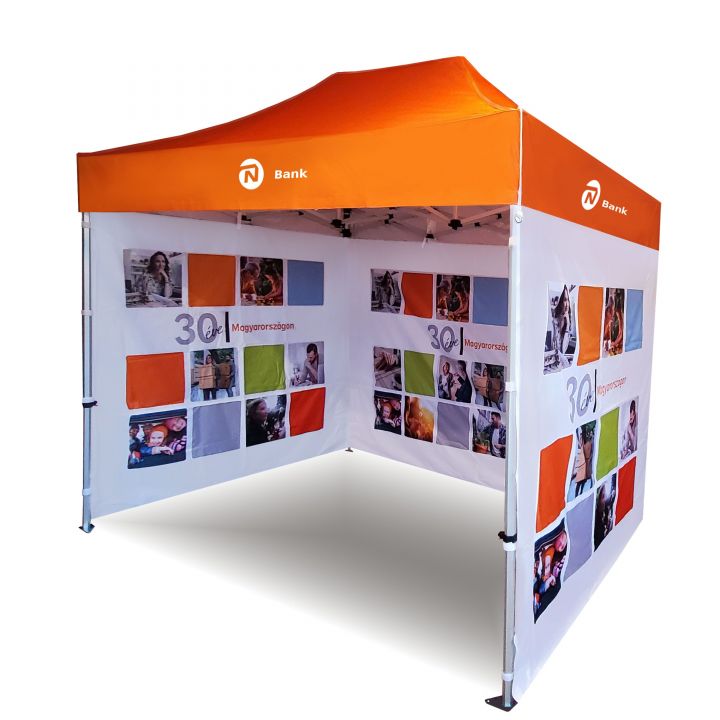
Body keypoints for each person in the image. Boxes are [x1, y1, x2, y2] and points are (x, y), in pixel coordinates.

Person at [550, 285, 572, 368]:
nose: (567, 304)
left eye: (568, 300)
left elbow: (563, 350)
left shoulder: (566, 323)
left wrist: (567, 325)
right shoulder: (553, 322)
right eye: (564, 300)